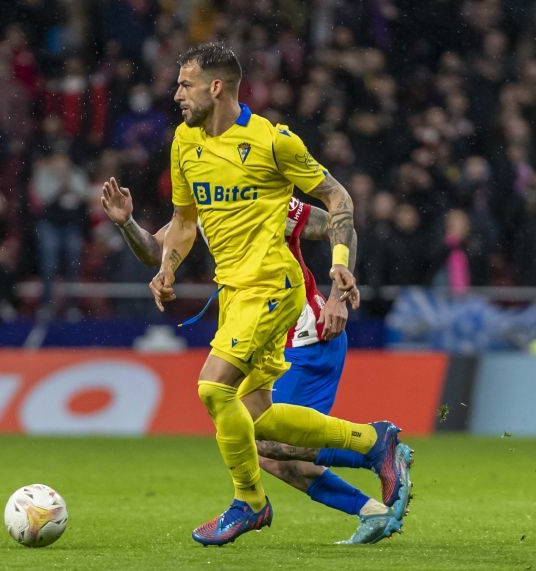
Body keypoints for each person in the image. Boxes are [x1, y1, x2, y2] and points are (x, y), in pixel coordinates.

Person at [117, 42, 410, 546]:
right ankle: (372, 442)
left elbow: (337, 199)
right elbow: (183, 222)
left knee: (213, 390)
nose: (176, 94)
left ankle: (249, 504)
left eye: (185, 84)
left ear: (216, 87)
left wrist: (340, 271)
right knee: (259, 423)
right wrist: (165, 266)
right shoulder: (185, 143)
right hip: (234, 294)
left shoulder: (272, 143)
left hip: (276, 290)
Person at [102, 180, 413, 544]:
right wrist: (126, 222)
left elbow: (338, 224)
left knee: (259, 436)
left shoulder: (258, 200)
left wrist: (337, 298)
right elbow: (157, 249)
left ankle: (375, 447)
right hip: (267, 337)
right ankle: (372, 507)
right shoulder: (206, 204)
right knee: (263, 447)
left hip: (305, 336)